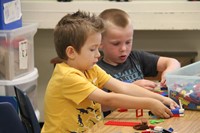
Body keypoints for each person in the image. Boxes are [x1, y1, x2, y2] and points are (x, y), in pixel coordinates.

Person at [41, 10, 179, 133]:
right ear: (71, 52)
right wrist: (149, 103)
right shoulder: (67, 76)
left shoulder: (91, 68)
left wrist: (160, 99)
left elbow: (123, 87)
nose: (98, 55)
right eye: (92, 49)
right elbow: (108, 99)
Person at [97, 8, 181, 117]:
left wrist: (168, 74)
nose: (123, 48)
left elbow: (173, 62)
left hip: (143, 116)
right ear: (99, 42)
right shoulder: (97, 70)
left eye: (128, 42)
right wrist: (133, 88)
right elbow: (101, 105)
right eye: (116, 43)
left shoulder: (136, 57)